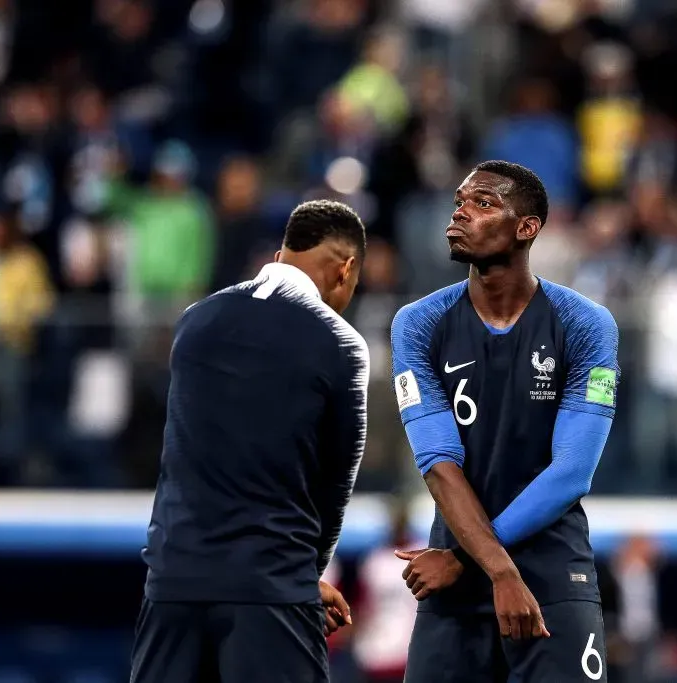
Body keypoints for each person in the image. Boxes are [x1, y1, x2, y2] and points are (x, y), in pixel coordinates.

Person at [391, 160, 620, 682]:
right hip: (454, 578)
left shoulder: (584, 324)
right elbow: (437, 462)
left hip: (549, 572)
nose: (460, 213)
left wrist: (470, 559)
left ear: (527, 228)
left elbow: (572, 472)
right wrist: (493, 568)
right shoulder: (419, 324)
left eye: (483, 203)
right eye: (459, 203)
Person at [131, 199, 370, 683]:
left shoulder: (195, 320)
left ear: (282, 254)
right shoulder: (340, 342)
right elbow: (335, 485)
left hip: (172, 582)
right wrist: (306, 575)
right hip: (270, 588)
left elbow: (180, 450)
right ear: (345, 270)